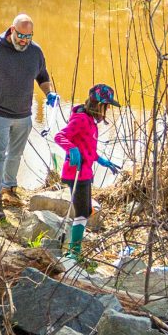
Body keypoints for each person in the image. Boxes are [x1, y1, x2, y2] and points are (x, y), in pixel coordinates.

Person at [0, 13, 56, 216]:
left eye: (28, 37)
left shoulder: (35, 51)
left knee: (15, 154)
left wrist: (49, 93)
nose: (24, 41)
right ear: (12, 30)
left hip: (23, 114)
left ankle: (9, 189)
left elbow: (42, 74)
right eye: (21, 36)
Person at [51, 84, 123, 262]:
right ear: (99, 105)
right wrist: (72, 149)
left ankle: (73, 244)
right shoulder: (82, 119)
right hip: (75, 172)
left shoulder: (90, 122)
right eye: (106, 106)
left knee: (87, 210)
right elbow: (60, 136)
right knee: (82, 213)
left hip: (85, 173)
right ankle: (73, 253)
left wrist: (101, 161)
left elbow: (88, 149)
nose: (107, 110)